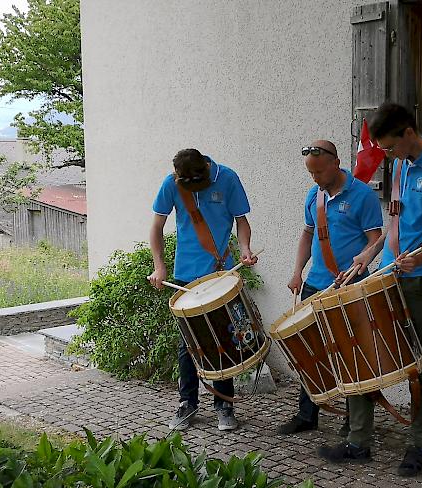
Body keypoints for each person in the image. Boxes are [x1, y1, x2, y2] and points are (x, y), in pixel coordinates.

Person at [317, 103, 422, 477]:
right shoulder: (399, 164)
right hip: (387, 272)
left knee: (416, 361)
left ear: (408, 133)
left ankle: (418, 446)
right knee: (363, 349)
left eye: (388, 146)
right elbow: (393, 226)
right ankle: (358, 442)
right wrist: (369, 255)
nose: (385, 154)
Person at [277, 140, 383, 435]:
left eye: (319, 172)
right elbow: (307, 235)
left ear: (336, 163)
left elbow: (375, 240)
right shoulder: (315, 195)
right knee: (310, 351)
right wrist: (297, 271)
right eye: (311, 174)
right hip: (314, 284)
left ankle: (354, 419)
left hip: (349, 285)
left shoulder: (363, 196)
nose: (315, 179)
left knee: (351, 353)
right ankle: (307, 414)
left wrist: (359, 265)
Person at [147, 148, 257, 431]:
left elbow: (241, 221)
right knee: (188, 344)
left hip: (220, 274)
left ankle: (224, 405)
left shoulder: (227, 178)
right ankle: (188, 404)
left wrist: (244, 249)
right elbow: (157, 226)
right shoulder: (171, 183)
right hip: (186, 276)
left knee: (224, 338)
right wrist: (160, 267)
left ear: (206, 171)